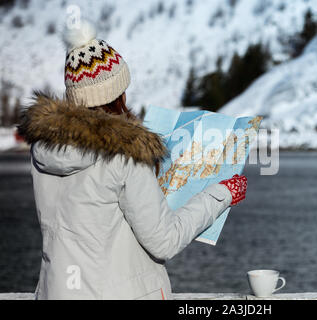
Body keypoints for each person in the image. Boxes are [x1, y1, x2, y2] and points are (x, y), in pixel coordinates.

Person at [17, 21, 247, 300]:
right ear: (118, 94)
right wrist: (222, 194)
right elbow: (165, 240)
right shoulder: (124, 154)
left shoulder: (42, 148)